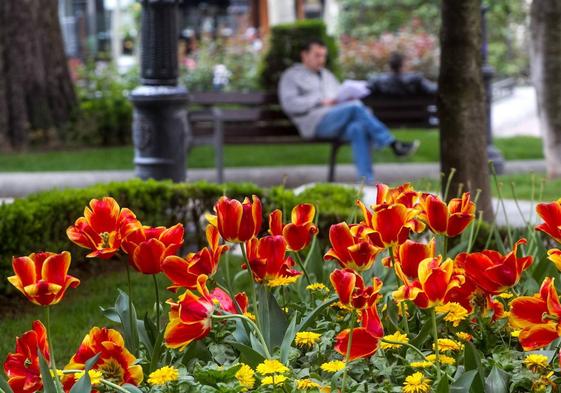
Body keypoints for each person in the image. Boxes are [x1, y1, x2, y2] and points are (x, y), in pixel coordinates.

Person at [278, 40, 419, 184]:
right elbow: (289, 104)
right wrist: (319, 101)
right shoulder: (291, 76)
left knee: (358, 128)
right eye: (317, 56)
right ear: (304, 55)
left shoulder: (327, 76)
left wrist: (344, 99)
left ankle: (366, 183)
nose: (321, 60)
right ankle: (392, 143)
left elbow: (337, 97)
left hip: (337, 120)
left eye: (323, 56)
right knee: (356, 107)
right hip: (313, 123)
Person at [368, 52, 437, 97]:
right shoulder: (416, 80)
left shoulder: (377, 82)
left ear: (389, 66)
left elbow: (367, 92)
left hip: (384, 119)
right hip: (414, 118)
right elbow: (434, 90)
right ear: (403, 65)